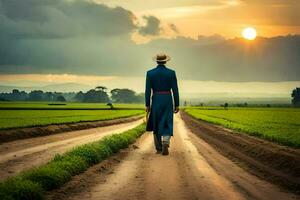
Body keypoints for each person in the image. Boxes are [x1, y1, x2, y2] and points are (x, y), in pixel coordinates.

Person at [145, 53, 180, 155]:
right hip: (167, 99)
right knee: (167, 121)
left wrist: (147, 104)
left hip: (156, 99)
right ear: (165, 61)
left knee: (156, 122)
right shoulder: (171, 73)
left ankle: (159, 148)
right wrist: (177, 104)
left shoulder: (150, 73)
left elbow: (148, 90)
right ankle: (166, 141)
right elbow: (175, 90)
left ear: (156, 61)